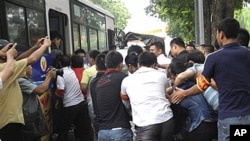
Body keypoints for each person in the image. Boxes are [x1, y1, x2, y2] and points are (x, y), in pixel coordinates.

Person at [170, 17, 250, 141]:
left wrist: (184, 93)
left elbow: (202, 85)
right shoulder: (247, 54)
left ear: (221, 34)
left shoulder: (214, 58)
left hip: (229, 116)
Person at [0, 36, 51, 141]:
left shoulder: (6, 67)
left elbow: (18, 60)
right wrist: (45, 45)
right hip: (9, 122)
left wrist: (35, 47)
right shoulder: (4, 69)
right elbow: (31, 60)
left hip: (10, 121)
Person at [121, 52, 174, 141]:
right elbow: (167, 91)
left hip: (145, 124)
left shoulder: (126, 81)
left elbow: (125, 100)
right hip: (167, 120)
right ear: (154, 65)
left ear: (138, 64)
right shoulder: (161, 75)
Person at [167, 59, 217, 141]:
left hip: (200, 127)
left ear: (175, 76)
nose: (170, 81)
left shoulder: (179, 91)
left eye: (170, 77)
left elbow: (174, 110)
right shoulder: (195, 85)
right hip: (214, 124)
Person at [95, 51, 133, 141]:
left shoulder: (99, 82)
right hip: (120, 131)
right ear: (120, 65)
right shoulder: (124, 78)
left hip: (102, 132)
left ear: (105, 64)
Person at [56, 55, 93, 141]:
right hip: (81, 103)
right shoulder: (71, 71)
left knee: (63, 129)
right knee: (83, 128)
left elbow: (60, 89)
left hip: (70, 105)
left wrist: (57, 99)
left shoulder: (61, 74)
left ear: (60, 64)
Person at [18, 66, 56, 141]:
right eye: (29, 66)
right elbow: (39, 90)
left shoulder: (26, 79)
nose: (32, 68)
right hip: (28, 117)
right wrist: (48, 77)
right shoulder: (20, 80)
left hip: (34, 114)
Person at [89, 53, 107, 140]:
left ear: (96, 67)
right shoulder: (114, 79)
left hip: (99, 121)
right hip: (113, 122)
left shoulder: (93, 82)